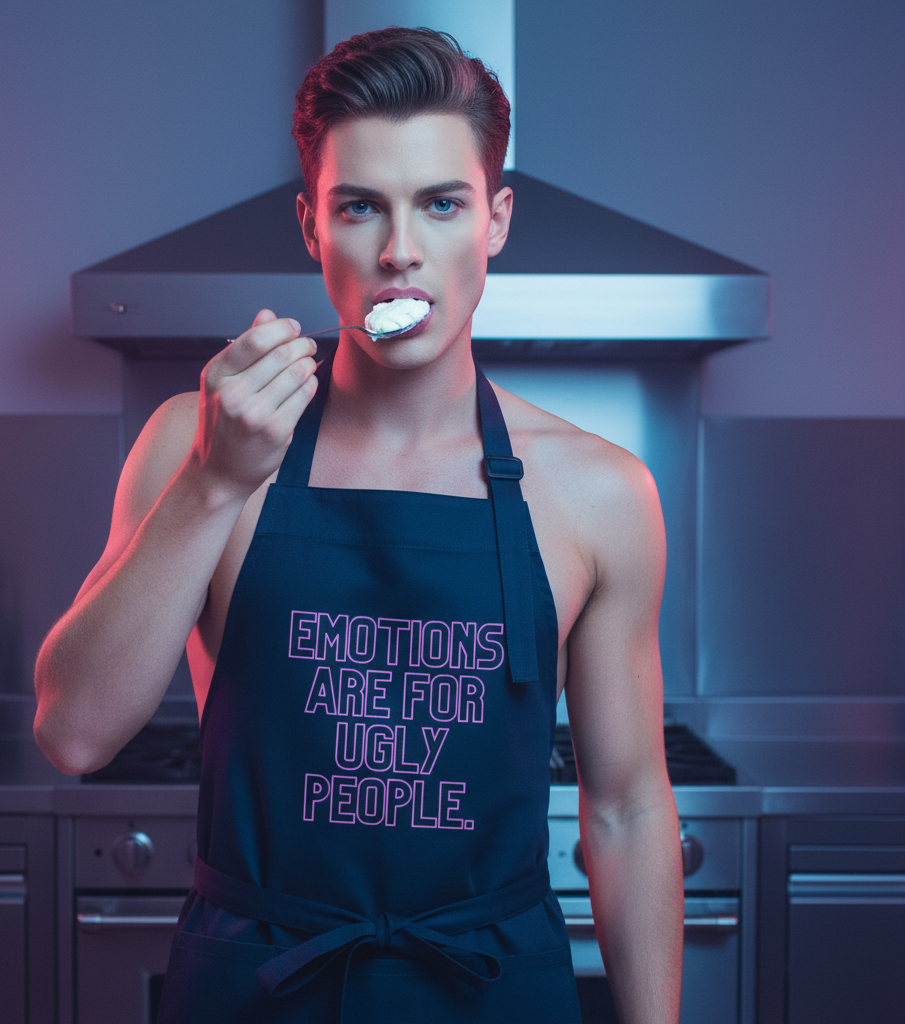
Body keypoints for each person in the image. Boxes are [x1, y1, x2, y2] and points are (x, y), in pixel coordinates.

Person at [34, 26, 683, 1024]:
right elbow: (73, 733)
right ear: (310, 225)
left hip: (490, 988)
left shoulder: (599, 493)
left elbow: (628, 808)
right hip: (253, 987)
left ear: (495, 220)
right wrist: (215, 482)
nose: (398, 252)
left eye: (440, 203)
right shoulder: (195, 442)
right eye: (358, 207)